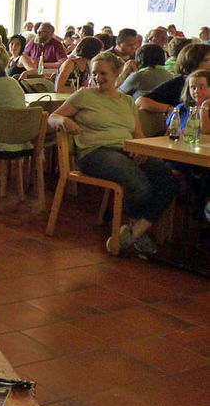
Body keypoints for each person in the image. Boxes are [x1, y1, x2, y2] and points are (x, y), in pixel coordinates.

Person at [49, 51, 177, 257]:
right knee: (139, 185)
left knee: (168, 180)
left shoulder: (127, 101)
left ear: (117, 73)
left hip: (126, 150)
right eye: (94, 73)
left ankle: (135, 231)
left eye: (103, 73)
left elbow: (138, 135)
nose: (97, 78)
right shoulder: (83, 95)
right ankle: (136, 233)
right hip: (95, 153)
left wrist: (140, 149)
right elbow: (52, 117)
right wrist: (63, 121)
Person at [137, 43, 210, 116]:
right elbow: (141, 102)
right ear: (193, 62)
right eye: (207, 60)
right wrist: (172, 109)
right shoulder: (178, 84)